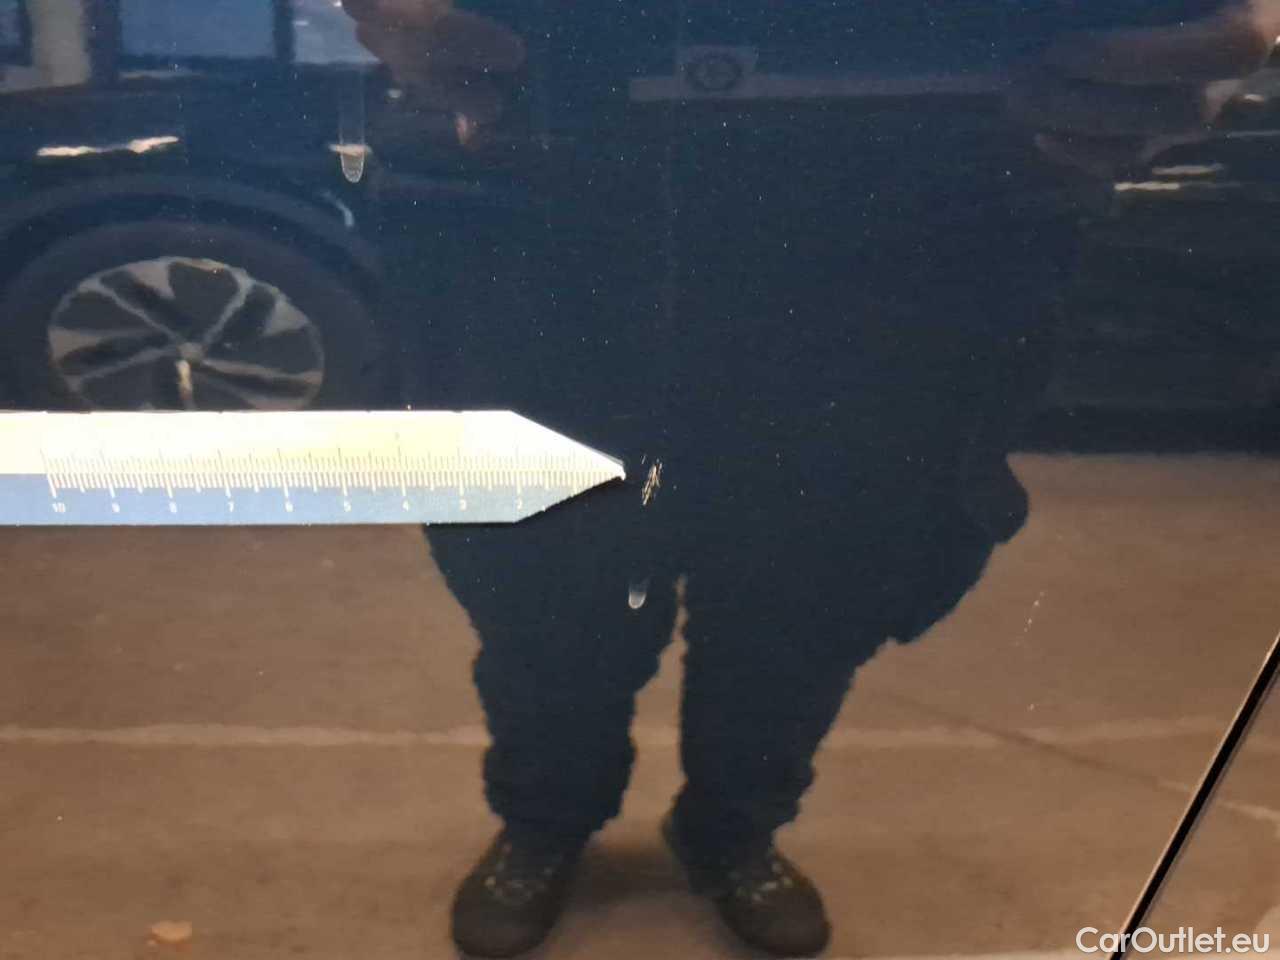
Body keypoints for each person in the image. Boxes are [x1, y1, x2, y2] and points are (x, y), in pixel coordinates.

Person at [343, 2, 1280, 956]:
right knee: (548, 591)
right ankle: (547, 820)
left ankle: (730, 828)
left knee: (816, 594)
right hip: (543, 195)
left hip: (923, 216)